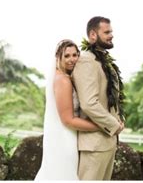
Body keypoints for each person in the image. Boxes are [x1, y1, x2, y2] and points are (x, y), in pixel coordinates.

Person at [35, 40, 100, 180]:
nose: (72, 60)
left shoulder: (61, 77)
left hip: (61, 136)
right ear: (58, 57)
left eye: (75, 55)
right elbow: (68, 120)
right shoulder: (63, 80)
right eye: (67, 56)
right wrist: (99, 126)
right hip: (64, 140)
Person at [72, 16, 125, 180]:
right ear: (93, 35)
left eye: (111, 31)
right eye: (107, 32)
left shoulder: (102, 61)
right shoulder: (86, 61)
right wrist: (114, 125)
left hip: (108, 142)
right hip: (94, 145)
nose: (111, 35)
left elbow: (109, 98)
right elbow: (89, 103)